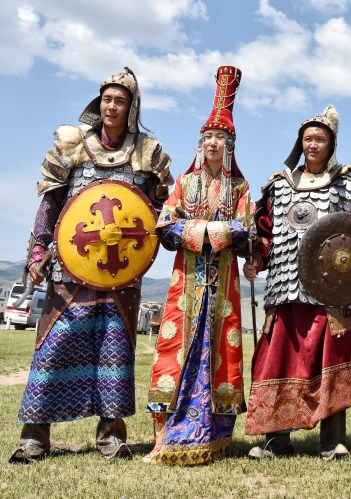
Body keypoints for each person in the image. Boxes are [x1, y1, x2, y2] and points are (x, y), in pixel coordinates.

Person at [10, 67, 173, 463]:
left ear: (131, 108)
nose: (111, 106)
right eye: (107, 99)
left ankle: (111, 437)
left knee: (114, 353)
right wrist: (38, 251)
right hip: (70, 269)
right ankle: (34, 437)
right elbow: (50, 204)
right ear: (99, 103)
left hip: (121, 272)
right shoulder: (72, 146)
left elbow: (156, 211)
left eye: (120, 100)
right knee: (53, 349)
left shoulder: (148, 153)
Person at [243, 105, 351, 460]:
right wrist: (257, 259)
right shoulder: (278, 185)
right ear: (299, 144)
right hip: (285, 289)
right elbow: (265, 234)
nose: (313, 145)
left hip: (332, 293)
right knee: (280, 361)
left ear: (331, 144)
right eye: (308, 139)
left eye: (320, 139)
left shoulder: (350, 184)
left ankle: (332, 441)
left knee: (330, 361)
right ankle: (277, 441)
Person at [144, 66, 250, 465]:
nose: (213, 142)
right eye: (207, 137)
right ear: (200, 143)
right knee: (174, 348)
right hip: (185, 281)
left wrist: (209, 230)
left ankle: (216, 437)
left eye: (220, 137)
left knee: (222, 351)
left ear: (230, 145)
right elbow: (165, 225)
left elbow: (246, 232)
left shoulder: (240, 188)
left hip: (224, 285)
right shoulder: (184, 185)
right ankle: (163, 437)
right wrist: (209, 230)